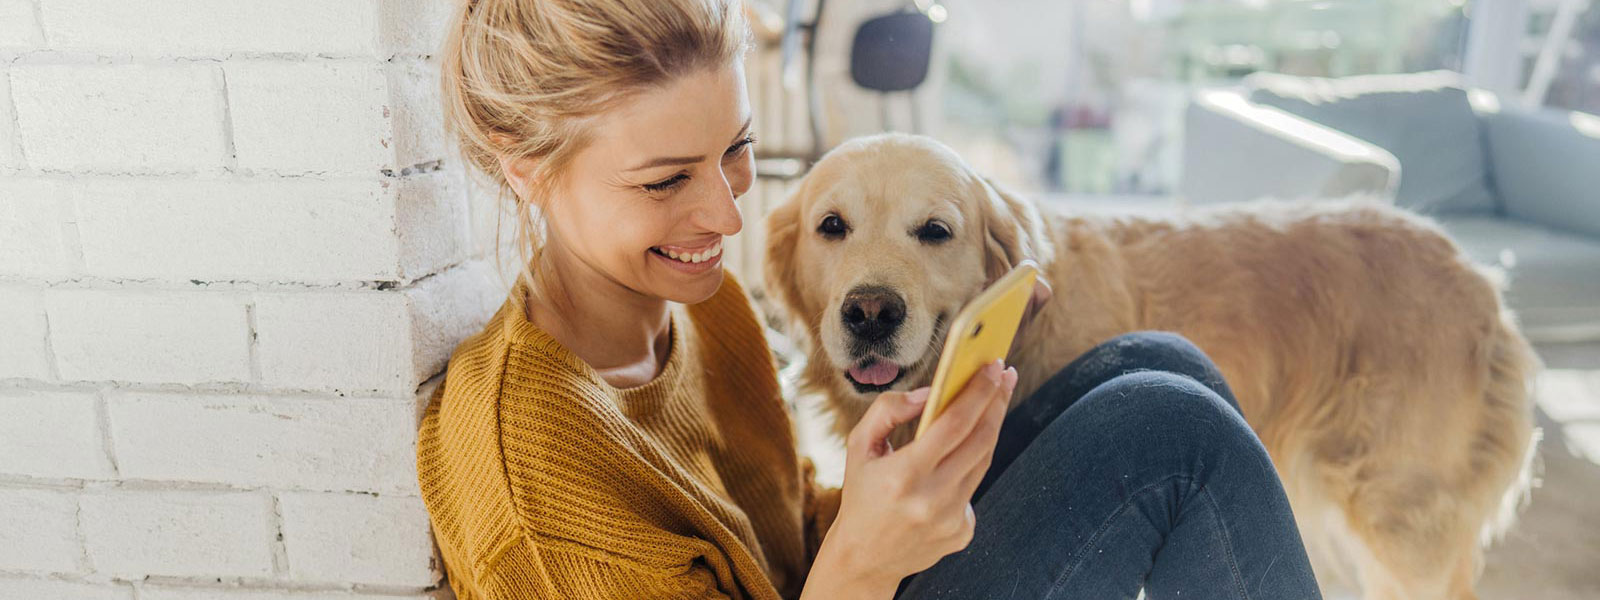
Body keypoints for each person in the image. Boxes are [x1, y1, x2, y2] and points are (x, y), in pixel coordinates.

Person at [416, 0, 1324, 598]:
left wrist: (891, 480)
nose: (726, 214)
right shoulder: (536, 477)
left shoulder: (696, 306)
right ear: (527, 169)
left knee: (1151, 368)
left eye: (734, 151)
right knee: (1167, 434)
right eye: (664, 182)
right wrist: (860, 558)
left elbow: (777, 530)